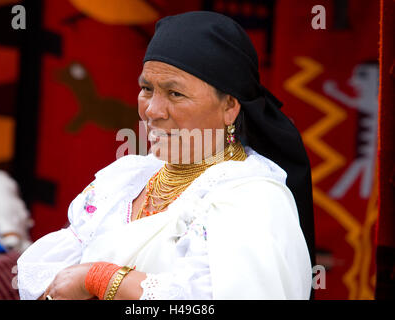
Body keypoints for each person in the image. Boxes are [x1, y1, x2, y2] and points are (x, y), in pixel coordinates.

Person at [17, 11, 315, 300]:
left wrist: (100, 278)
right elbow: (49, 282)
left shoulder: (252, 199)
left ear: (230, 107)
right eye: (147, 88)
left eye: (175, 94)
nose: (152, 111)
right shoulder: (123, 183)